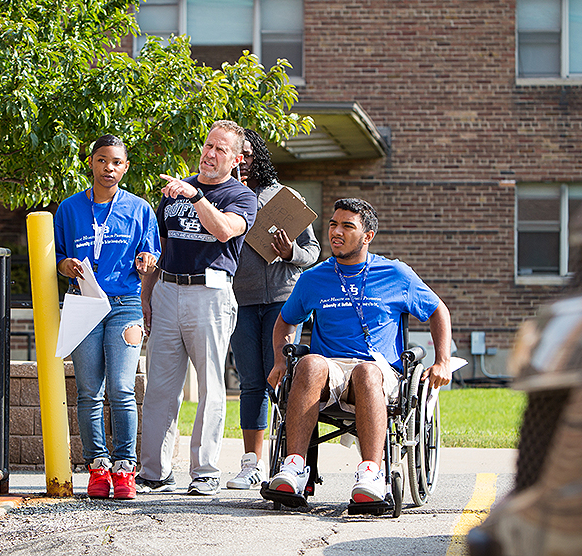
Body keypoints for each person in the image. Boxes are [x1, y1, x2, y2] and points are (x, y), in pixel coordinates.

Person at [267, 198, 452, 504]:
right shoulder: (313, 278)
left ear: (368, 236)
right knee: (309, 364)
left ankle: (370, 474)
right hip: (330, 370)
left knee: (366, 372)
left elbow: (437, 311)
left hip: (378, 370)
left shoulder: (396, 274)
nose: (336, 232)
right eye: (333, 225)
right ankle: (294, 467)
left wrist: (442, 361)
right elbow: (286, 320)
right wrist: (278, 361)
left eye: (347, 226)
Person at [136, 120, 258, 496]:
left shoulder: (241, 197)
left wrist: (196, 197)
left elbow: (223, 230)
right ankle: (154, 472)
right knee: (160, 385)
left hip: (211, 293)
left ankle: (204, 471)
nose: (210, 153)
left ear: (236, 160)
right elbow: (159, 245)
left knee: (210, 387)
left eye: (221, 149)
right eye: (208, 145)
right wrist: (147, 293)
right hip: (167, 289)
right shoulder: (175, 191)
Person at [54, 134, 161, 500]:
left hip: (125, 304)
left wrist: (147, 260)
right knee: (89, 391)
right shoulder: (69, 208)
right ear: (91, 163)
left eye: (116, 162)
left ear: (125, 167)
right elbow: (58, 257)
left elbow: (151, 253)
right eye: (102, 160)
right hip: (83, 301)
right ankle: (98, 468)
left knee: (121, 388)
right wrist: (65, 265)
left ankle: (125, 468)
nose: (108, 168)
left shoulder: (140, 209)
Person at [226, 129, 320, 490]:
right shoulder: (223, 197)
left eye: (248, 154)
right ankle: (251, 463)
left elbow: (313, 252)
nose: (243, 161)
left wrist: (290, 252)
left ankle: (288, 458)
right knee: (251, 382)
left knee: (282, 378)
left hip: (283, 300)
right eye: (237, 155)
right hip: (241, 301)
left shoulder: (285, 197)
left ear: (259, 157)